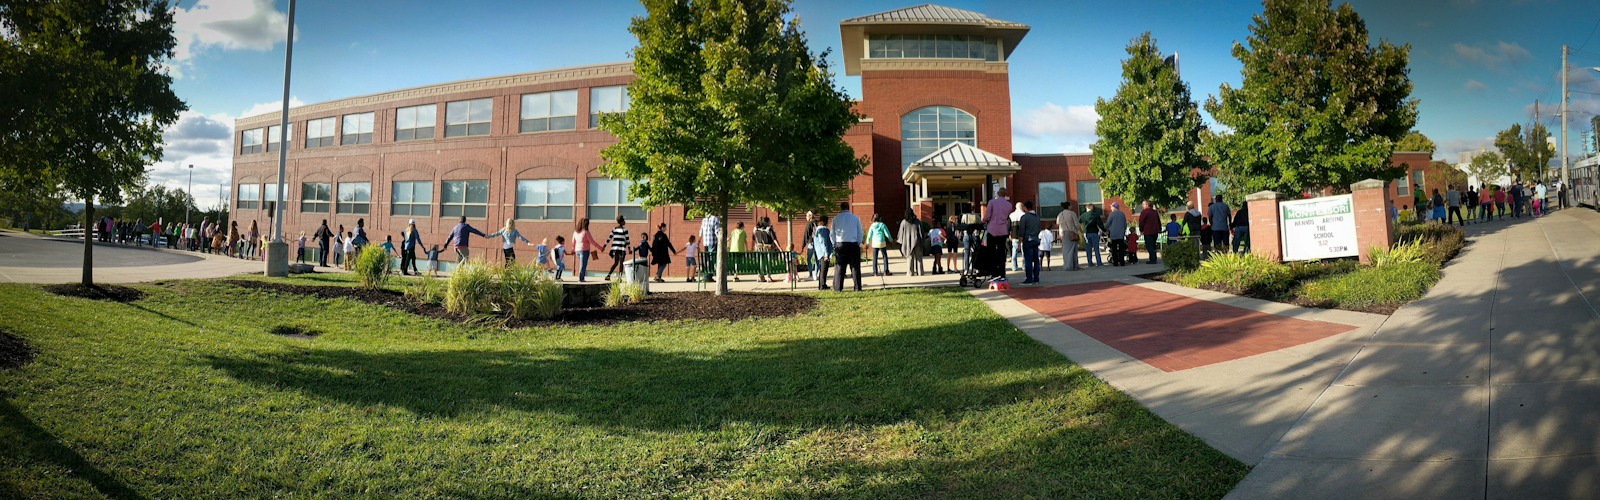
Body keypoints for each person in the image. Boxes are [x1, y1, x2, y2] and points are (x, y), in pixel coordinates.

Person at [831, 201, 864, 292]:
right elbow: (860, 232)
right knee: (855, 267)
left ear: (841, 208)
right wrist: (858, 242)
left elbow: (832, 233)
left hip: (840, 244)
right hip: (853, 244)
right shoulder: (856, 218)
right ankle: (857, 287)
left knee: (840, 267)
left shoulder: (835, 219)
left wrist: (835, 244)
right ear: (849, 207)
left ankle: (838, 288)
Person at [982, 187, 1012, 279]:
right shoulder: (1009, 205)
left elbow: (987, 216)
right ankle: (1002, 273)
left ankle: (994, 273)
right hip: (1003, 230)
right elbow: (1006, 217)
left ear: (998, 193)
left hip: (992, 230)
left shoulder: (992, 202)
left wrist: (983, 221)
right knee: (1001, 252)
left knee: (991, 252)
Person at [572, 218, 603, 282]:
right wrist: (600, 248)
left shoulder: (575, 232)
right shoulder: (586, 232)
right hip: (584, 250)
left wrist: (573, 249)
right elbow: (592, 241)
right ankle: (581, 278)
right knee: (583, 264)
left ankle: (581, 277)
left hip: (577, 250)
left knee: (581, 264)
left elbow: (573, 241)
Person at [1019, 201, 1042, 284]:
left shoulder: (1024, 217)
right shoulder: (1037, 217)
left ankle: (1029, 278)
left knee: (1028, 261)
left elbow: (1022, 230)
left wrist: (1020, 241)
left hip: (1027, 240)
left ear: (1025, 207)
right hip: (1035, 240)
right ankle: (1036, 278)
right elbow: (1039, 228)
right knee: (1036, 260)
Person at [897, 209, 925, 277]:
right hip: (917, 241)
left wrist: (900, 242)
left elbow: (901, 233)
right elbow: (922, 232)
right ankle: (920, 272)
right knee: (919, 257)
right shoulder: (917, 221)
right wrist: (922, 241)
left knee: (910, 257)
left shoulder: (903, 222)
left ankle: (910, 273)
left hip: (907, 242)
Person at [605, 216, 631, 281]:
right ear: (621, 221)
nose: (625, 222)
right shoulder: (625, 230)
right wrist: (629, 248)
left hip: (615, 248)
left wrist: (604, 246)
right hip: (622, 249)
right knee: (621, 263)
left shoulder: (614, 229)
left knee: (616, 263)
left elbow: (609, 238)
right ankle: (619, 278)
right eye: (624, 220)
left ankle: (608, 275)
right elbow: (627, 240)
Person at [1057, 202, 1081, 272]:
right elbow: (1077, 224)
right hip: (1072, 233)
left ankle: (1067, 265)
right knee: (1073, 250)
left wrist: (1060, 234)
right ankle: (1074, 265)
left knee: (1066, 251)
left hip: (1064, 233)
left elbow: (1059, 225)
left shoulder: (1060, 214)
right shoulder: (1072, 213)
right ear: (1068, 206)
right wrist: (1081, 232)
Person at [753, 217, 778, 282]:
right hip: (768, 248)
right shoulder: (769, 229)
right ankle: (768, 276)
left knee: (761, 261)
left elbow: (754, 239)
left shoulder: (756, 229)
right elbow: (774, 239)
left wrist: (752, 247)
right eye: (769, 221)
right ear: (767, 222)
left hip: (759, 248)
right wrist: (779, 248)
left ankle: (760, 276)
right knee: (768, 262)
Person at [699, 213, 721, 282]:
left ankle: (707, 275)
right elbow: (717, 231)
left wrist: (699, 240)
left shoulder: (704, 219)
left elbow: (701, 231)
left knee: (707, 258)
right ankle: (708, 275)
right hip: (713, 242)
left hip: (705, 242)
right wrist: (722, 240)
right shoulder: (715, 219)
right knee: (712, 259)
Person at [813, 215, 833, 289]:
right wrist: (826, 254)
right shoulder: (823, 229)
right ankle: (822, 285)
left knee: (822, 269)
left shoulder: (818, 229)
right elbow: (823, 242)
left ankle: (822, 284)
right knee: (824, 269)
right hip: (823, 253)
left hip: (820, 252)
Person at [1106, 202, 1129, 266]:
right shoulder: (1122, 214)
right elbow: (1125, 224)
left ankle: (1115, 262)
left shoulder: (1112, 214)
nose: (1110, 208)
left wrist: (1105, 230)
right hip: (1121, 234)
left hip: (1113, 234)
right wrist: (1124, 230)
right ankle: (1122, 262)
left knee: (1114, 249)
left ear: (1114, 207)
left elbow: (1108, 223)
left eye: (1111, 207)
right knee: (1121, 248)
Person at [801, 212, 819, 282]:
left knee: (809, 259)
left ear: (810, 216)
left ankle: (811, 274)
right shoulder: (817, 223)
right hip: (817, 243)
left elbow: (806, 235)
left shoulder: (809, 224)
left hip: (811, 243)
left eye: (807, 216)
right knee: (817, 259)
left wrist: (803, 246)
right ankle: (816, 274)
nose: (806, 217)